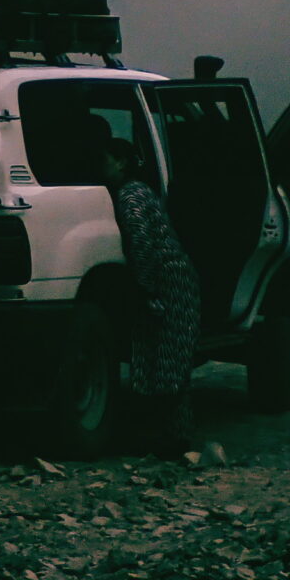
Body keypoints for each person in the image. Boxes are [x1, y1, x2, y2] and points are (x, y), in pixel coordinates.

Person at [103, 137, 201, 456]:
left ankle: (169, 439)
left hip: (167, 279)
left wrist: (146, 289)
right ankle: (173, 437)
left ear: (121, 162)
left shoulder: (129, 196)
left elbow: (142, 244)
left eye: (105, 159)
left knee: (164, 359)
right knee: (167, 359)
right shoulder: (138, 191)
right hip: (174, 276)